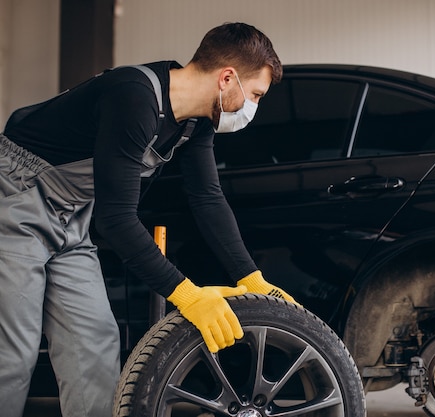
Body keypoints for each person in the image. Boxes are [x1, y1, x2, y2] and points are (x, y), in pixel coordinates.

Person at [0, 22, 296, 417]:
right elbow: (117, 220)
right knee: (12, 352)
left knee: (95, 342)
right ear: (227, 78)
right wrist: (188, 296)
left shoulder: (194, 123)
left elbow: (207, 198)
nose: (251, 108)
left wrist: (250, 277)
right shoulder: (135, 97)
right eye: (255, 94)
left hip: (70, 214)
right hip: (17, 196)